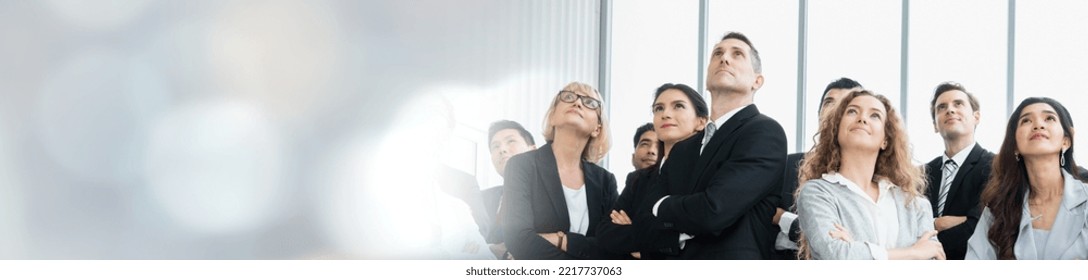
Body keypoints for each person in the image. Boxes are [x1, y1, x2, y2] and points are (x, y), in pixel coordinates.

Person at [642, 32, 787, 259]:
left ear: (757, 81)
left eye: (737, 54)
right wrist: (681, 218)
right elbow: (645, 226)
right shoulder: (682, 149)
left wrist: (662, 207)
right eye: (717, 53)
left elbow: (714, 210)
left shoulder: (764, 133)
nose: (724, 58)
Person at [795, 90, 944, 260]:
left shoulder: (915, 204)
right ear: (836, 130)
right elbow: (836, 255)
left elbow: (932, 262)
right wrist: (913, 253)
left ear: (885, 140)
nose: (862, 118)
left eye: (875, 115)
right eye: (852, 111)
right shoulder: (816, 193)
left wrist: (856, 251)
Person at [501, 81, 619, 259]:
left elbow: (613, 246)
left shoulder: (605, 181)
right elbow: (518, 240)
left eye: (590, 103)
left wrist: (562, 240)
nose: (577, 103)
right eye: (568, 97)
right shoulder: (521, 166)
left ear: (597, 128)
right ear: (553, 116)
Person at [966, 97, 1088, 260]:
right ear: (1015, 145)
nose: (1038, 125)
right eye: (1026, 121)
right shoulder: (997, 209)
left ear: (1066, 141)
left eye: (1049, 118)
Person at [598, 83, 708, 259]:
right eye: (658, 108)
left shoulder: (707, 172)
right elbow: (606, 234)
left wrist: (635, 235)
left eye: (678, 106)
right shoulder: (639, 179)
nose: (665, 114)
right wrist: (671, 239)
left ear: (701, 121)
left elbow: (705, 232)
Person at [774, 77, 863, 259]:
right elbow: (766, 218)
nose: (834, 109)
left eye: (846, 104)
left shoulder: (870, 177)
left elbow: (857, 241)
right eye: (828, 102)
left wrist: (786, 220)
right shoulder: (786, 165)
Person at [923, 82, 994, 260]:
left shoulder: (996, 165)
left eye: (958, 104)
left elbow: (980, 227)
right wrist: (941, 223)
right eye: (942, 107)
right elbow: (907, 229)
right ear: (934, 125)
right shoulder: (920, 174)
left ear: (976, 117)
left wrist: (923, 248)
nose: (950, 110)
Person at [481, 120, 537, 258]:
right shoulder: (479, 198)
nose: (502, 150)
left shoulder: (557, 197)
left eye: (511, 141)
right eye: (495, 146)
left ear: (533, 150)